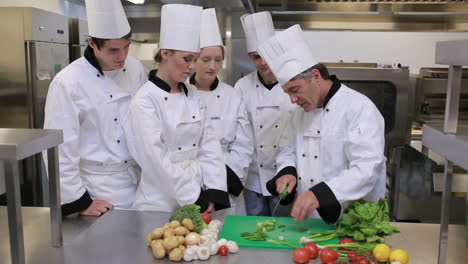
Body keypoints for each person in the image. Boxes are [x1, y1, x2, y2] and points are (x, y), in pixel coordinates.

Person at [258, 25, 386, 223]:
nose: (293, 100)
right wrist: (287, 171)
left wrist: (322, 193)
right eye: (288, 93)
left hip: (354, 220)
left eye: (295, 89)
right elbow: (287, 150)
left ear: (316, 76)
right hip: (309, 223)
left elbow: (367, 168)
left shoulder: (359, 108)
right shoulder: (298, 113)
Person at [43, 0, 147, 217]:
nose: (122, 56)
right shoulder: (68, 82)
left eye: (126, 46)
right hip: (99, 188)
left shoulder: (136, 68)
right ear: (92, 43)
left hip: (139, 181)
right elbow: (59, 148)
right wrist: (80, 202)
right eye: (113, 50)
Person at [124, 4, 230, 213]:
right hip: (158, 203)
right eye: (186, 59)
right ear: (165, 53)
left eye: (195, 59)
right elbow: (155, 160)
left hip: (199, 193)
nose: (192, 66)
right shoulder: (145, 100)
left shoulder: (192, 93)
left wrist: (215, 189)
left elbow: (209, 144)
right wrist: (195, 196)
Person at [190, 9, 253, 215]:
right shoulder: (179, 93)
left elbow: (244, 144)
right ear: (193, 60)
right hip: (191, 184)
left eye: (218, 59)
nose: (212, 66)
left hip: (228, 183)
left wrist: (221, 182)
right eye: (206, 59)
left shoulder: (233, 96)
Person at [234, 11, 295, 217]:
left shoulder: (292, 85)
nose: (262, 62)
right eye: (256, 57)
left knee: (283, 233)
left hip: (286, 175)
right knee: (254, 230)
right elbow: (239, 134)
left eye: (266, 55)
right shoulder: (242, 87)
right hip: (253, 178)